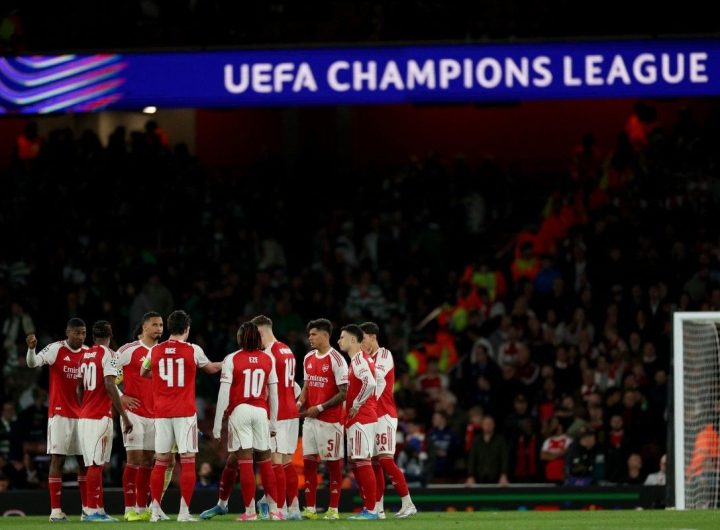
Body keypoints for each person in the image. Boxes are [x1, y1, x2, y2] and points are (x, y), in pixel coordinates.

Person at [140, 310, 222, 522]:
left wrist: (159, 376)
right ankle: (183, 512)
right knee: (187, 460)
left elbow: (143, 372)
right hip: (184, 413)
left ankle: (155, 511)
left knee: (161, 461)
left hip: (161, 413)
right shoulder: (193, 350)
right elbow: (211, 369)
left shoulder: (154, 350)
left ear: (169, 328)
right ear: (187, 329)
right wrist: (228, 362)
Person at [207, 321, 282, 521]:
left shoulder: (231, 358)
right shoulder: (268, 358)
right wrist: (273, 422)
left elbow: (223, 393)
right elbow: (274, 394)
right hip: (261, 411)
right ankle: (274, 510)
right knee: (265, 461)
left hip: (240, 411)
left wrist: (217, 425)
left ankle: (250, 512)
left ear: (240, 337)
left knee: (246, 462)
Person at [26, 318, 90, 522]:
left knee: (84, 462)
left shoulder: (88, 353)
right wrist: (31, 349)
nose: (81, 337)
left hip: (82, 415)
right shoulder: (56, 349)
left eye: (83, 333)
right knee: (58, 459)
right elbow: (32, 363)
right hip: (60, 414)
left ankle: (87, 510)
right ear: (67, 332)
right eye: (77, 333)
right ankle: (55, 511)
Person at [76, 321, 133, 522]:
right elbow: (110, 385)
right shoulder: (109, 354)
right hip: (99, 416)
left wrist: (84, 406)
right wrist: (124, 416)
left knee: (93, 464)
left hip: (84, 416)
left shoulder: (84, 355)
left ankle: (96, 509)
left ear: (93, 336)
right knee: (96, 464)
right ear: (110, 335)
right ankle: (92, 511)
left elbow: (79, 388)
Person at [360, 321, 416, 519]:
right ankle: (378, 508)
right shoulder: (366, 358)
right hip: (372, 416)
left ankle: (408, 503)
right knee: (375, 463)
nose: (361, 344)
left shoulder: (384, 355)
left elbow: (377, 379)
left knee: (385, 459)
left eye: (363, 339)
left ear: (373, 337)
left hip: (384, 415)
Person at [115, 312, 166, 521]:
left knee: (147, 460)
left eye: (161, 325)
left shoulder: (163, 351)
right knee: (134, 459)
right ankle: (128, 509)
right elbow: (107, 375)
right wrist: (121, 397)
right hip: (133, 413)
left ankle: (141, 507)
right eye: (155, 324)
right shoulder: (128, 350)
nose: (159, 328)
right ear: (144, 327)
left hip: (155, 414)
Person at [296, 318, 348, 520]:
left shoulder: (337, 360)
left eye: (313, 334)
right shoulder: (308, 357)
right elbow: (307, 386)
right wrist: (299, 403)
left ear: (325, 335)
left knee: (332, 465)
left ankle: (333, 509)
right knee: (309, 463)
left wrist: (319, 407)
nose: (309, 338)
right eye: (309, 334)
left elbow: (344, 392)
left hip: (330, 421)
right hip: (310, 420)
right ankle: (310, 508)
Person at [253, 315, 302, 519]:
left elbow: (267, 389)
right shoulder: (286, 349)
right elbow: (294, 386)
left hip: (278, 413)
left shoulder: (268, 354)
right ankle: (294, 508)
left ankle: (279, 509)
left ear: (260, 332)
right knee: (287, 462)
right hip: (292, 411)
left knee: (276, 462)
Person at [337, 324, 379, 520]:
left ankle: (371, 509)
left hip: (362, 417)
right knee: (357, 462)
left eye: (342, 337)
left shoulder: (359, 359)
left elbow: (370, 383)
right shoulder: (358, 359)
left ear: (353, 339)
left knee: (362, 461)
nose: (339, 341)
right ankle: (368, 507)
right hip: (360, 418)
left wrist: (356, 404)